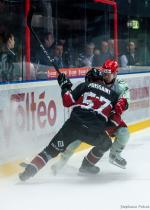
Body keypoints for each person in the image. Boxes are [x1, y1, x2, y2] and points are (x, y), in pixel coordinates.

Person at [19, 67, 119, 181]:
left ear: (89, 79)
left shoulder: (84, 86)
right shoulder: (114, 95)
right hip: (94, 130)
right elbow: (114, 121)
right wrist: (104, 126)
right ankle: (87, 166)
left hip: (74, 125)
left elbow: (68, 101)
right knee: (106, 143)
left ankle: (27, 173)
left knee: (50, 151)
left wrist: (65, 86)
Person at [51, 59, 130, 174]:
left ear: (115, 73)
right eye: (104, 73)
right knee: (78, 136)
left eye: (109, 73)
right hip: (93, 117)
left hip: (109, 118)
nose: (106, 76)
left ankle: (114, 155)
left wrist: (122, 103)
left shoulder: (121, 85)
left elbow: (125, 100)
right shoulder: (97, 79)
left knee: (124, 134)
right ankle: (60, 163)